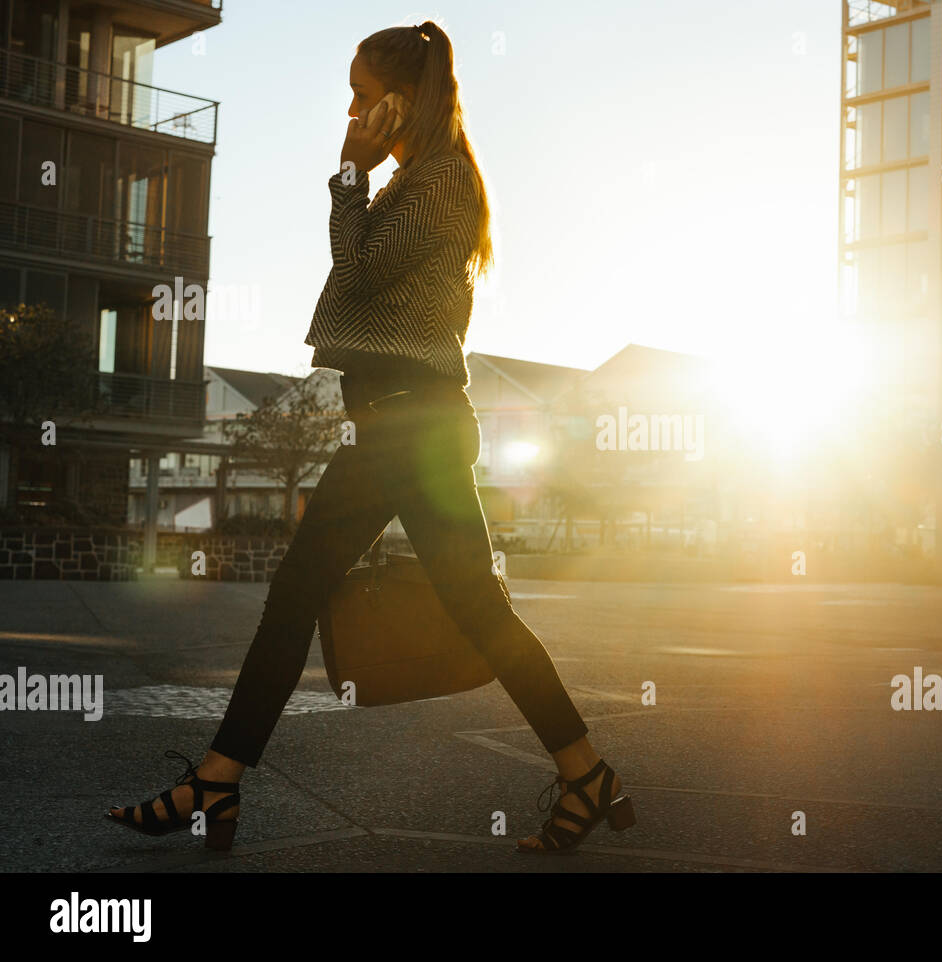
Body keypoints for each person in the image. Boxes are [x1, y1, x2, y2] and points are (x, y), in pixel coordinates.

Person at [105, 19, 634, 855]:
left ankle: (217, 783)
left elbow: (353, 274)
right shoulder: (419, 179)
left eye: (361, 97)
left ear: (400, 99)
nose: (351, 113)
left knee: (302, 600)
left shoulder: (441, 184)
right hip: (398, 426)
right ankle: (586, 774)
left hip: (408, 430)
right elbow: (357, 283)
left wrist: (349, 173)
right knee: (474, 611)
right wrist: (362, 177)